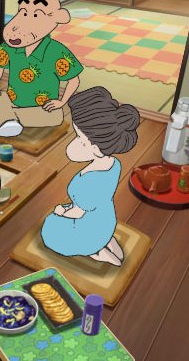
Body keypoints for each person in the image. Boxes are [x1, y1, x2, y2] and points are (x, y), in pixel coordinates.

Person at [40, 87, 140, 266]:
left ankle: (94, 250)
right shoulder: (113, 163)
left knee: (50, 229)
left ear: (95, 148)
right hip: (105, 221)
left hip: (85, 228)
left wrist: (61, 212)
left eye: (80, 138)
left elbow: (78, 213)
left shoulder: (88, 184)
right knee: (68, 217)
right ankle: (105, 239)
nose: (75, 142)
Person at [0, 0, 83, 137]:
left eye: (36, 15)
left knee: (54, 116)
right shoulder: (11, 46)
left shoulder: (56, 51)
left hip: (43, 107)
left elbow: (74, 80)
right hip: (13, 100)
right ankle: (12, 118)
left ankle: (9, 119)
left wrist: (61, 102)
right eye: (23, 12)